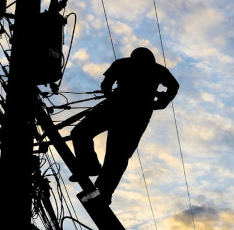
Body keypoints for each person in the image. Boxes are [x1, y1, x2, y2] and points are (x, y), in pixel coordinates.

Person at [70, 47, 179, 205]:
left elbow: (106, 84)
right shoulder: (157, 69)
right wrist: (162, 101)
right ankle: (101, 189)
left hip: (118, 106)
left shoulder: (123, 63)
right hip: (137, 112)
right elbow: (174, 86)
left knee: (83, 134)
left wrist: (110, 95)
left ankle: (92, 169)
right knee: (117, 155)